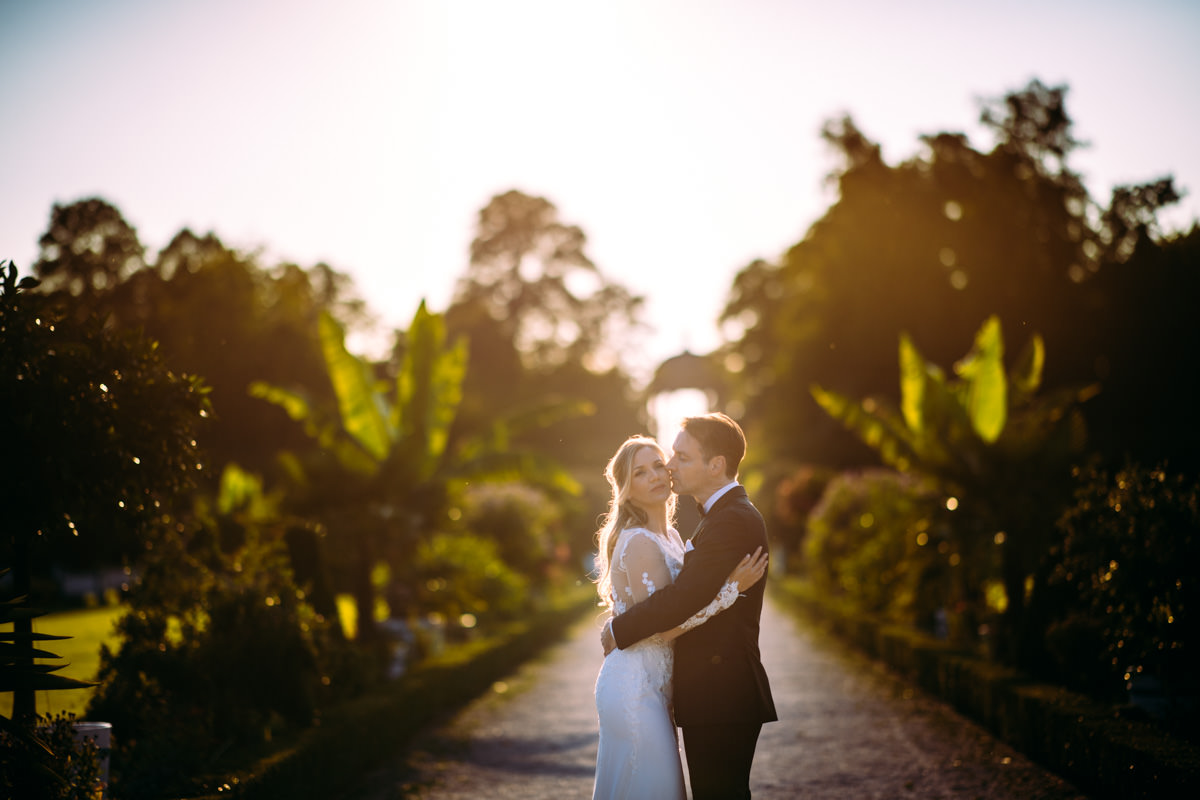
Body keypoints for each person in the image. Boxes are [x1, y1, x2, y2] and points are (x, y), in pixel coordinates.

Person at [602, 413, 777, 800]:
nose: (669, 466)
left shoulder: (731, 519)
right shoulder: (716, 517)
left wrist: (619, 629)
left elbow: (682, 600)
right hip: (709, 692)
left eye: (681, 457)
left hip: (722, 693)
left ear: (715, 465)